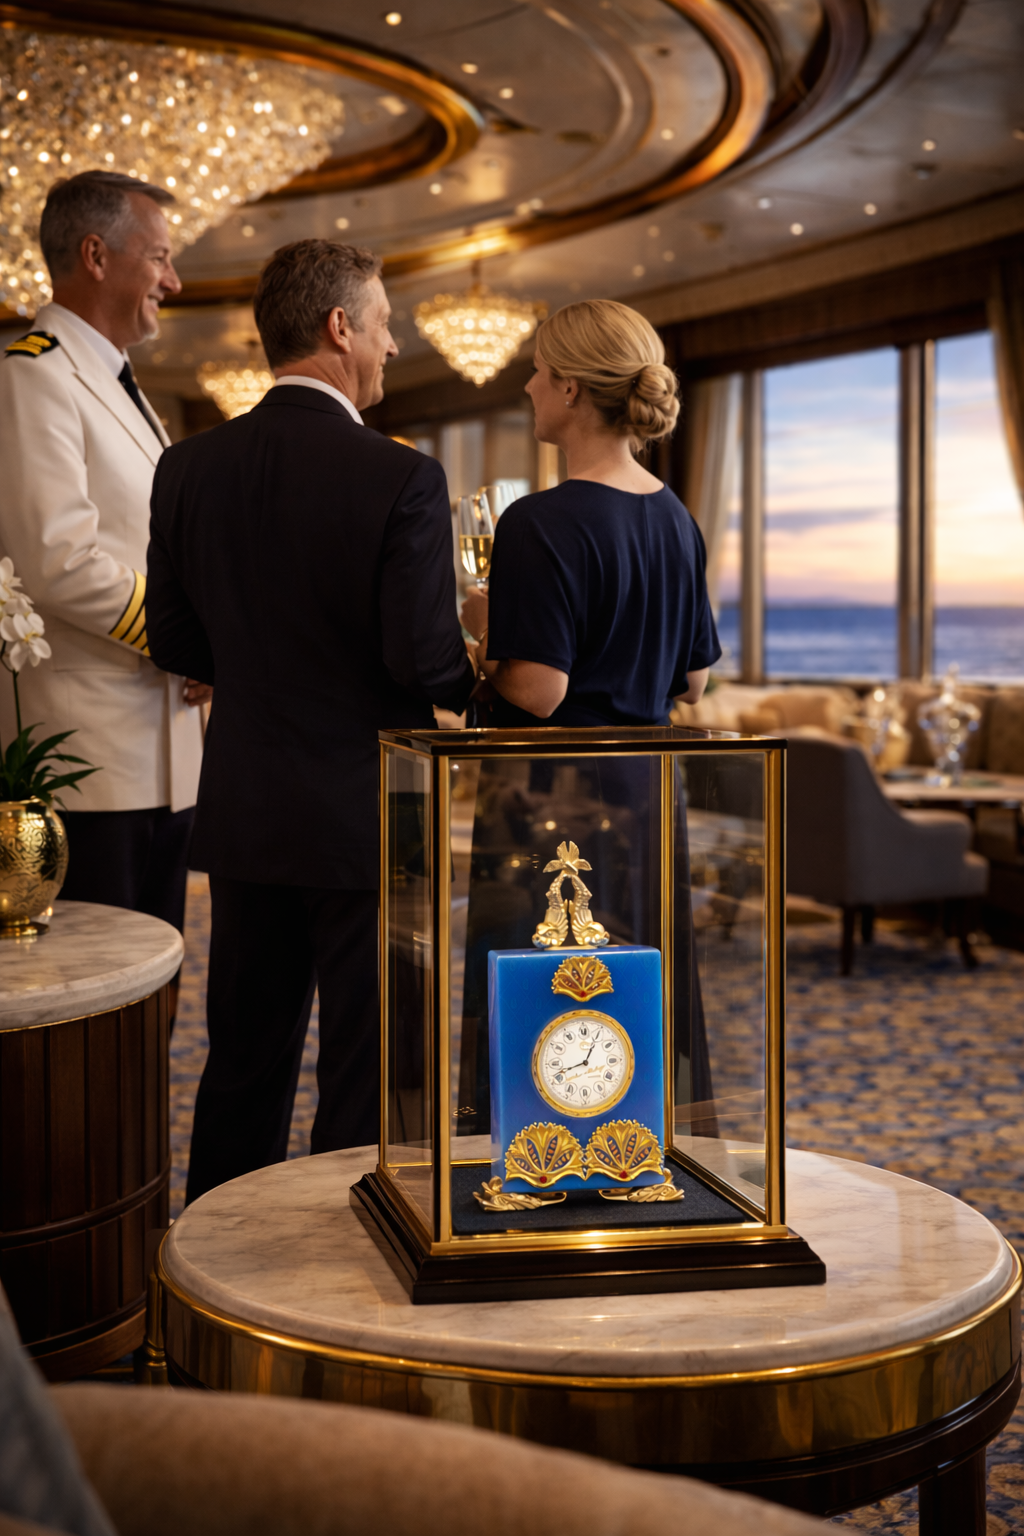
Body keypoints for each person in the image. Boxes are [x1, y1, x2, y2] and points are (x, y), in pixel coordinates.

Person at [146, 239, 476, 1204]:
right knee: (365, 1075)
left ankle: (214, 1260)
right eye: (383, 325)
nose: (391, 347)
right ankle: (340, 1273)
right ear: (339, 327)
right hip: (369, 814)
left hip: (247, 806)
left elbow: (176, 640)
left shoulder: (188, 467)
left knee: (243, 1065)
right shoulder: (402, 477)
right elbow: (423, 663)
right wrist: (483, 660)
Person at [457, 299, 721, 1133]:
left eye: (538, 371)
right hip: (647, 796)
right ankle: (636, 1155)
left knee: (541, 995)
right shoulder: (676, 517)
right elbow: (693, 683)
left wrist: (482, 634)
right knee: (636, 993)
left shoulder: (540, 521)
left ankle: (534, 1165)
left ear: (571, 389)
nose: (528, 385)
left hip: (551, 800)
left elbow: (539, 691)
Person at [0, 170, 207, 955]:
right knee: (96, 989)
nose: (173, 280)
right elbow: (57, 560)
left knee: (155, 985)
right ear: (95, 255)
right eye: (159, 257)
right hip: (90, 761)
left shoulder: (121, 384)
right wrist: (186, 636)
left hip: (162, 752)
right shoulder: (35, 373)